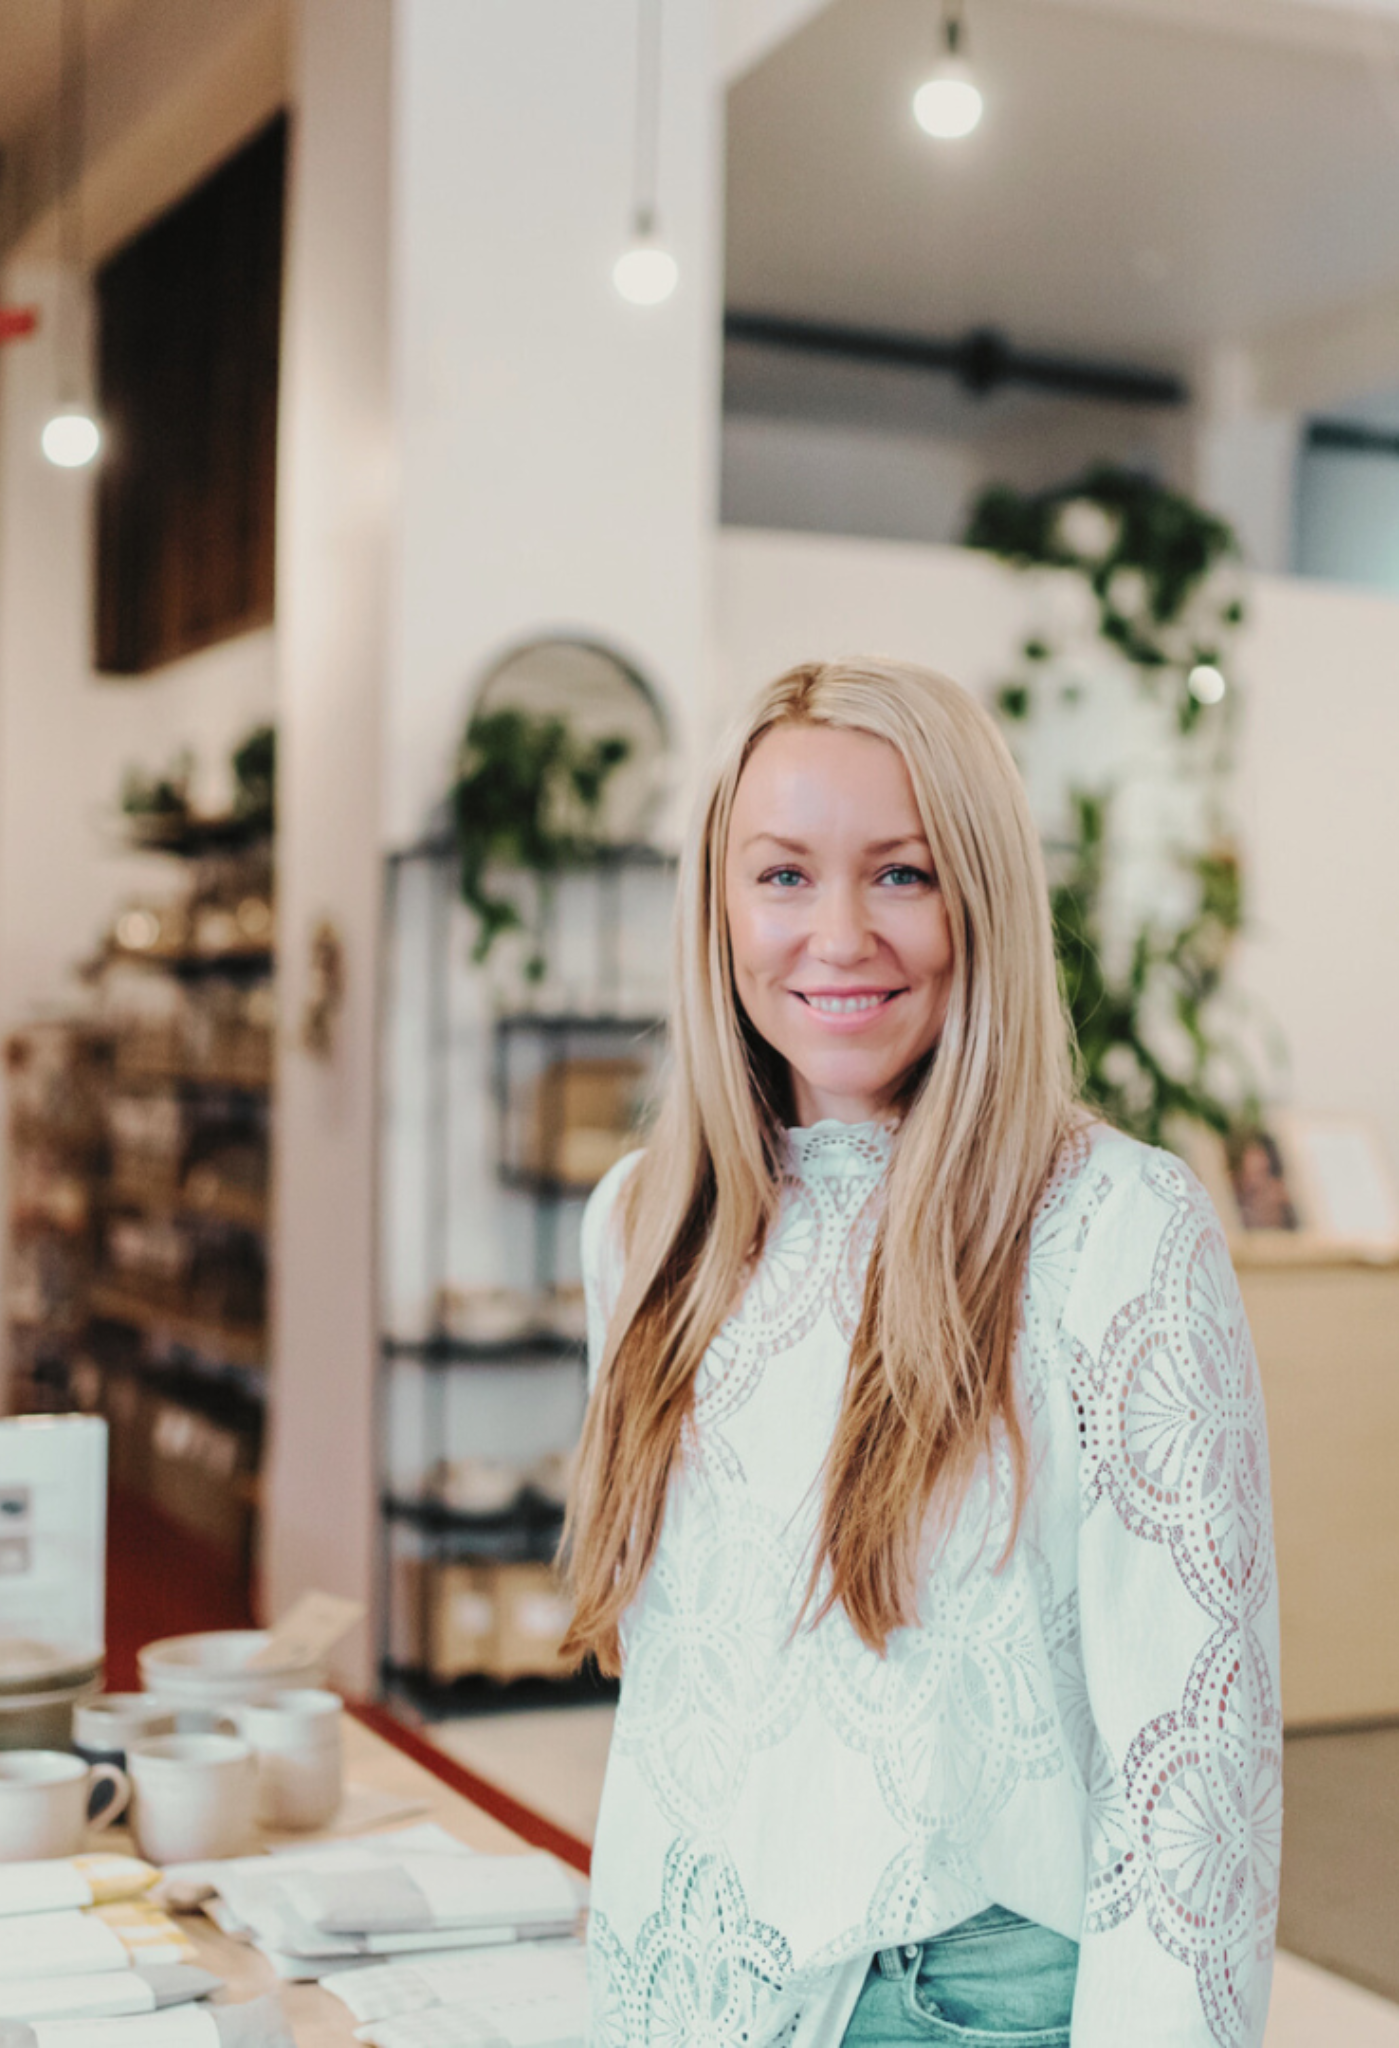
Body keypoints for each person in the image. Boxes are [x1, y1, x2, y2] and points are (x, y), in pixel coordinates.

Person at [561, 658, 1279, 2048]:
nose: (838, 936)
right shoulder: (643, 1221)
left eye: (901, 874)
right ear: (718, 908)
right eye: (782, 877)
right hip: (682, 1979)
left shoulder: (1112, 1225)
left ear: (983, 900)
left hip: (961, 2004)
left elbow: (1195, 1768)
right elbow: (679, 1680)